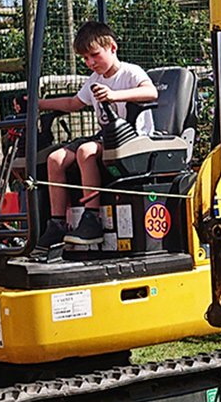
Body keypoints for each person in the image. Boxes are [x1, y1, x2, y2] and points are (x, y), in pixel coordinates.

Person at [36, 22, 158, 248]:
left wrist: (115, 95)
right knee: (55, 159)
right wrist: (37, 104)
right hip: (107, 137)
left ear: (112, 47)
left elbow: (151, 92)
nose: (90, 63)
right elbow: (73, 103)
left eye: (94, 55)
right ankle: (57, 224)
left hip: (132, 138)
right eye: (85, 58)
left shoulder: (130, 72)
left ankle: (92, 220)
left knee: (86, 151)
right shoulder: (94, 79)